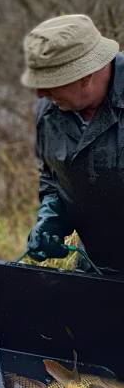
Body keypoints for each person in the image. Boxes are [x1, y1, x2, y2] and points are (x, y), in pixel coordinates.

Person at [21, 14, 124, 271]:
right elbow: (53, 178)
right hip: (96, 269)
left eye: (49, 84)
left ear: (85, 76)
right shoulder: (47, 112)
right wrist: (51, 219)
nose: (40, 93)